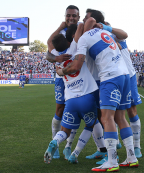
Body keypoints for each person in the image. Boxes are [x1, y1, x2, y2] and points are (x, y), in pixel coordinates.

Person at [60, 14, 138, 171]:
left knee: (106, 118)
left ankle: (112, 161)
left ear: (78, 32)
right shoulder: (104, 32)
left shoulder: (83, 39)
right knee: (120, 118)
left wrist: (62, 71)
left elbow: (76, 66)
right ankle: (131, 157)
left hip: (109, 78)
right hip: (124, 75)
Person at [44, 21, 99, 164]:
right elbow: (81, 27)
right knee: (90, 125)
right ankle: (75, 153)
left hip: (70, 100)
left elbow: (50, 41)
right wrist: (79, 22)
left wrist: (62, 26)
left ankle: (55, 141)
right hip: (87, 95)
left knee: (65, 131)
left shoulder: (56, 56)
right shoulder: (74, 48)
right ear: (69, 42)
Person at [45, 5, 80, 159]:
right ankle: (56, 145)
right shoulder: (61, 32)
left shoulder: (81, 30)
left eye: (74, 16)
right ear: (65, 16)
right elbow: (48, 52)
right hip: (61, 78)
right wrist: (57, 58)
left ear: (78, 17)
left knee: (75, 112)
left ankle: (68, 146)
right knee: (60, 110)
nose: (71, 18)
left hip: (79, 76)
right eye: (68, 15)